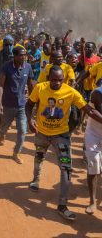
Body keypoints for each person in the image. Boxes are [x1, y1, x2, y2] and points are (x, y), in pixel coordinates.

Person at [25, 65, 102, 221]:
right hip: (42, 134)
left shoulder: (70, 91)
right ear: (48, 79)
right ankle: (36, 179)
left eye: (60, 80)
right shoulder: (40, 88)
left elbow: (88, 110)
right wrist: (30, 119)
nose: (57, 83)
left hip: (61, 136)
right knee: (39, 157)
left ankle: (62, 205)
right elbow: (29, 105)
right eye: (54, 80)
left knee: (66, 168)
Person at [0, 46, 34, 164]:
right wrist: (0, 103)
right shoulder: (6, 67)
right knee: (4, 126)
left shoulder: (28, 67)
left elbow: (30, 85)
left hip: (22, 106)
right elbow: (1, 85)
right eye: (20, 55)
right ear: (14, 56)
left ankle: (16, 153)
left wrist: (33, 101)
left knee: (22, 130)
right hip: (8, 104)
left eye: (24, 55)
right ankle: (2, 134)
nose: (23, 57)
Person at [85, 79, 102, 215]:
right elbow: (94, 113)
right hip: (94, 134)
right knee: (93, 165)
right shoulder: (97, 93)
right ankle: (92, 201)